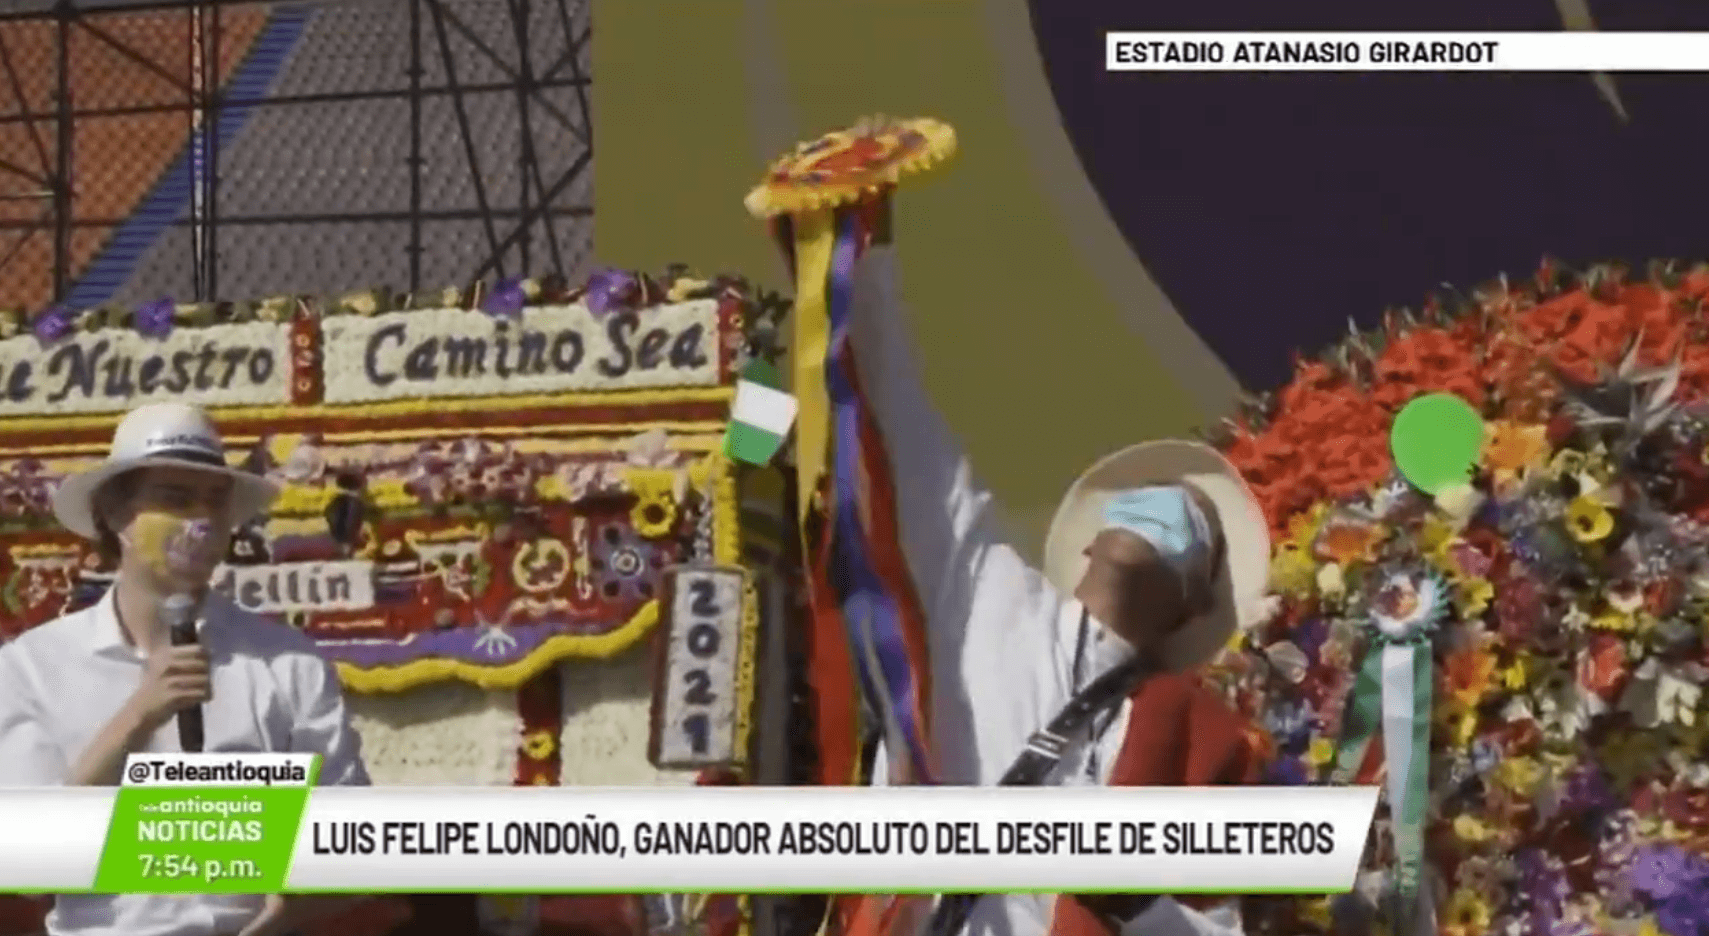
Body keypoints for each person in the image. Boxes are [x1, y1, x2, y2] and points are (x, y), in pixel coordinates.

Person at [843, 229, 1272, 936]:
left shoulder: (1195, 733)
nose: (1163, 511)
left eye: (1192, 521)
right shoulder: (989, 603)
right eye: (1145, 497)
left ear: (1191, 601)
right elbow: (910, 437)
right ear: (1090, 546)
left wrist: (1133, 903)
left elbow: (1218, 924)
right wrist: (858, 253)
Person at [0, 402, 370, 936]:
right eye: (175, 499)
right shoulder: (34, 667)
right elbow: (25, 867)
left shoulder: (287, 662)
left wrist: (293, 909)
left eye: (216, 502)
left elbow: (355, 846)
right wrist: (136, 719)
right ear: (112, 514)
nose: (200, 520)